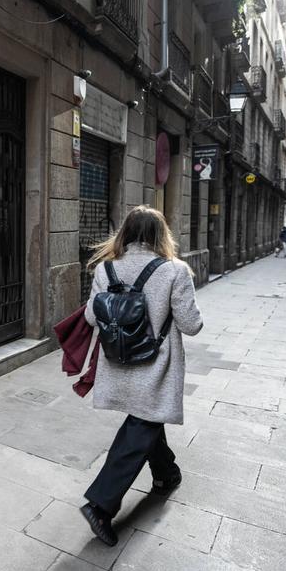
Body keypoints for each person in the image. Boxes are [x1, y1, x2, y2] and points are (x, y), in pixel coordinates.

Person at [79, 206, 204, 546]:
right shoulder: (176, 271)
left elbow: (92, 316)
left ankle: (167, 475)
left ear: (125, 233)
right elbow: (191, 325)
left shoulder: (106, 268)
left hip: (118, 361)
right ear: (161, 234)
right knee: (145, 421)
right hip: (155, 366)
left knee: (147, 418)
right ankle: (101, 506)